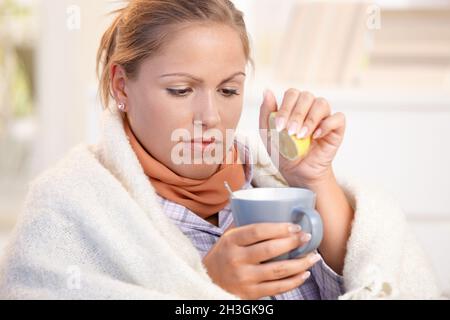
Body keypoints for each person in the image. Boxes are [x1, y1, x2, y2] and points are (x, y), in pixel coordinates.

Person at [0, 0, 441, 299]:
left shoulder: (270, 183)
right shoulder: (69, 207)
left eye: (228, 90)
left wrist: (314, 179)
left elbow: (382, 279)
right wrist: (206, 286)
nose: (209, 115)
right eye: (180, 89)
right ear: (122, 86)